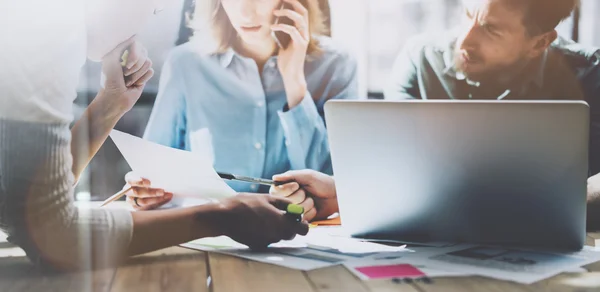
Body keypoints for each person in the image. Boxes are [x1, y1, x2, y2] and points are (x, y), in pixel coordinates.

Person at [0, 0, 307, 271]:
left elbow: (19, 201)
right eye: (154, 7)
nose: (147, 23)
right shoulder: (42, 29)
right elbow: (51, 235)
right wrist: (223, 216)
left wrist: (111, 103)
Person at [273, 0, 600, 228]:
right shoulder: (420, 61)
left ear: (539, 42)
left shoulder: (590, 75)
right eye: (467, 14)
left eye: (491, 30)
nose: (465, 40)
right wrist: (344, 192)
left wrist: (558, 205)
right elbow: (398, 172)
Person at [124, 0, 358, 212]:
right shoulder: (185, 64)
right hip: (209, 233)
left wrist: (294, 80)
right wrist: (142, 192)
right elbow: (151, 170)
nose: (246, 12)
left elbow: (335, 186)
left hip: (305, 236)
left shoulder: (337, 65)